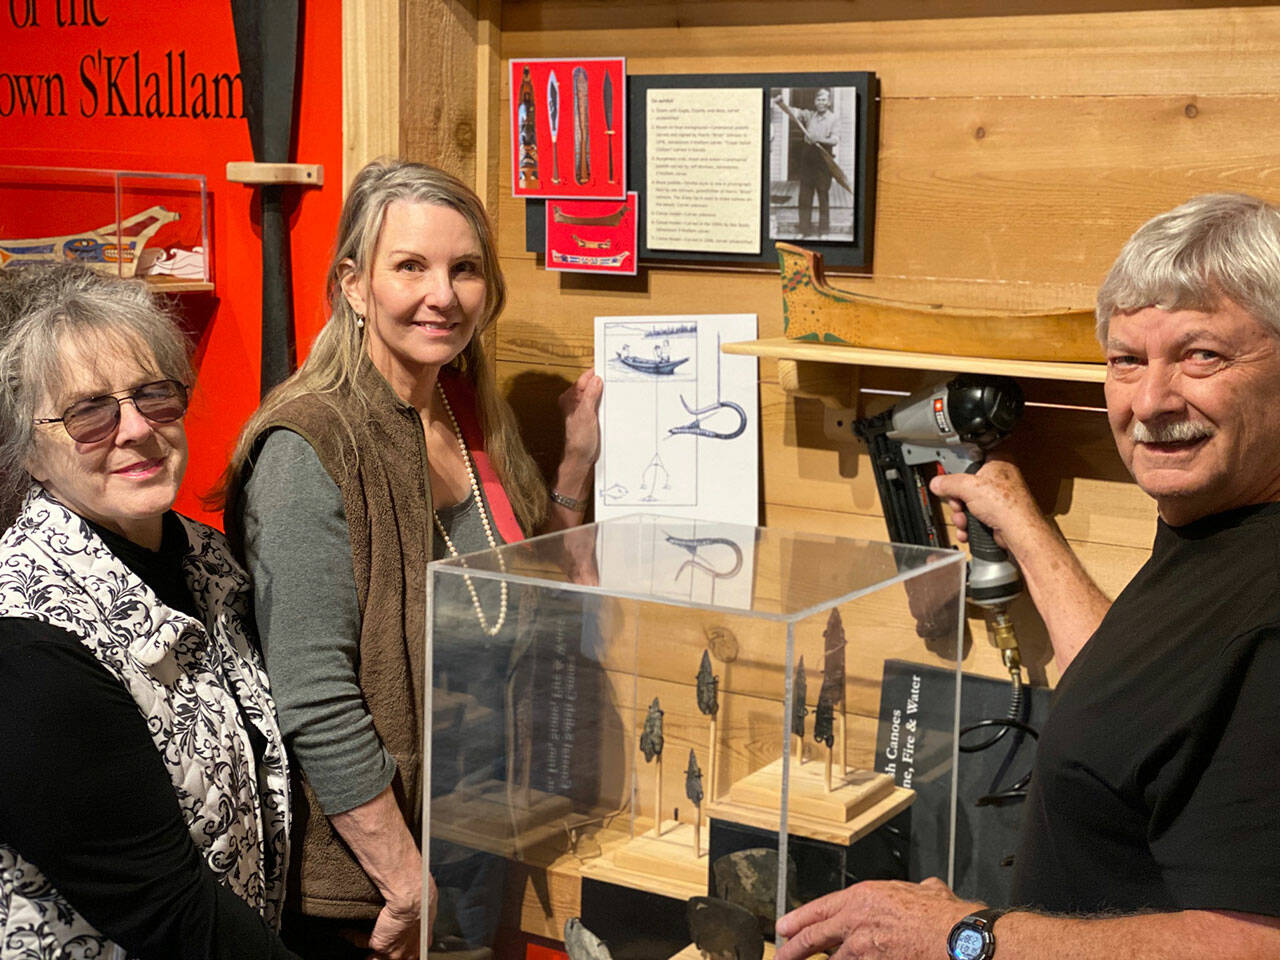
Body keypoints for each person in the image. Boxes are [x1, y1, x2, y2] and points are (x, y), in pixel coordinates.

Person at [775, 193, 1280, 960]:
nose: (1150, 402)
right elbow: (1142, 697)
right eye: (1125, 359)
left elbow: (1253, 945)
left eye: (1202, 355)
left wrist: (966, 938)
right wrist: (1019, 519)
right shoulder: (1214, 526)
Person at [223, 158, 602, 959]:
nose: (443, 294)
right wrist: (403, 878)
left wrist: (571, 473)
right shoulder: (308, 447)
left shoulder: (466, 416)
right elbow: (314, 694)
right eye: (411, 267)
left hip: (477, 829)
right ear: (354, 285)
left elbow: (524, 601)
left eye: (465, 269)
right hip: (375, 883)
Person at [0, 263, 298, 959]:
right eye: (89, 411)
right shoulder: (22, 639)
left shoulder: (211, 563)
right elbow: (164, 904)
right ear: (29, 446)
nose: (135, 429)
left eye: (153, 395)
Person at [774, 89, 839, 238]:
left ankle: (824, 232)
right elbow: (793, 112)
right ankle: (804, 230)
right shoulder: (809, 116)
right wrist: (781, 103)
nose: (821, 102)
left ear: (829, 102)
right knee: (804, 197)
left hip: (824, 159)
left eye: (824, 100)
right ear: (815, 102)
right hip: (808, 159)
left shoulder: (833, 119)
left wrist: (819, 139)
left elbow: (835, 140)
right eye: (818, 99)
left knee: (823, 196)